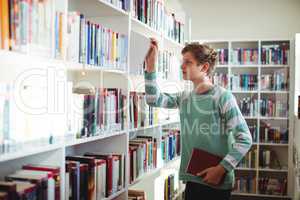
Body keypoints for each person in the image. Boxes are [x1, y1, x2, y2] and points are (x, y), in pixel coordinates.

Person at [144, 39, 252, 200]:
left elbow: (245, 139)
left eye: (188, 62)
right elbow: (154, 99)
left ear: (204, 67)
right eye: (183, 62)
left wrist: (221, 169)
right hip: (192, 179)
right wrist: (151, 65)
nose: (182, 66)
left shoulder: (223, 97)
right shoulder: (185, 97)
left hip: (216, 181)